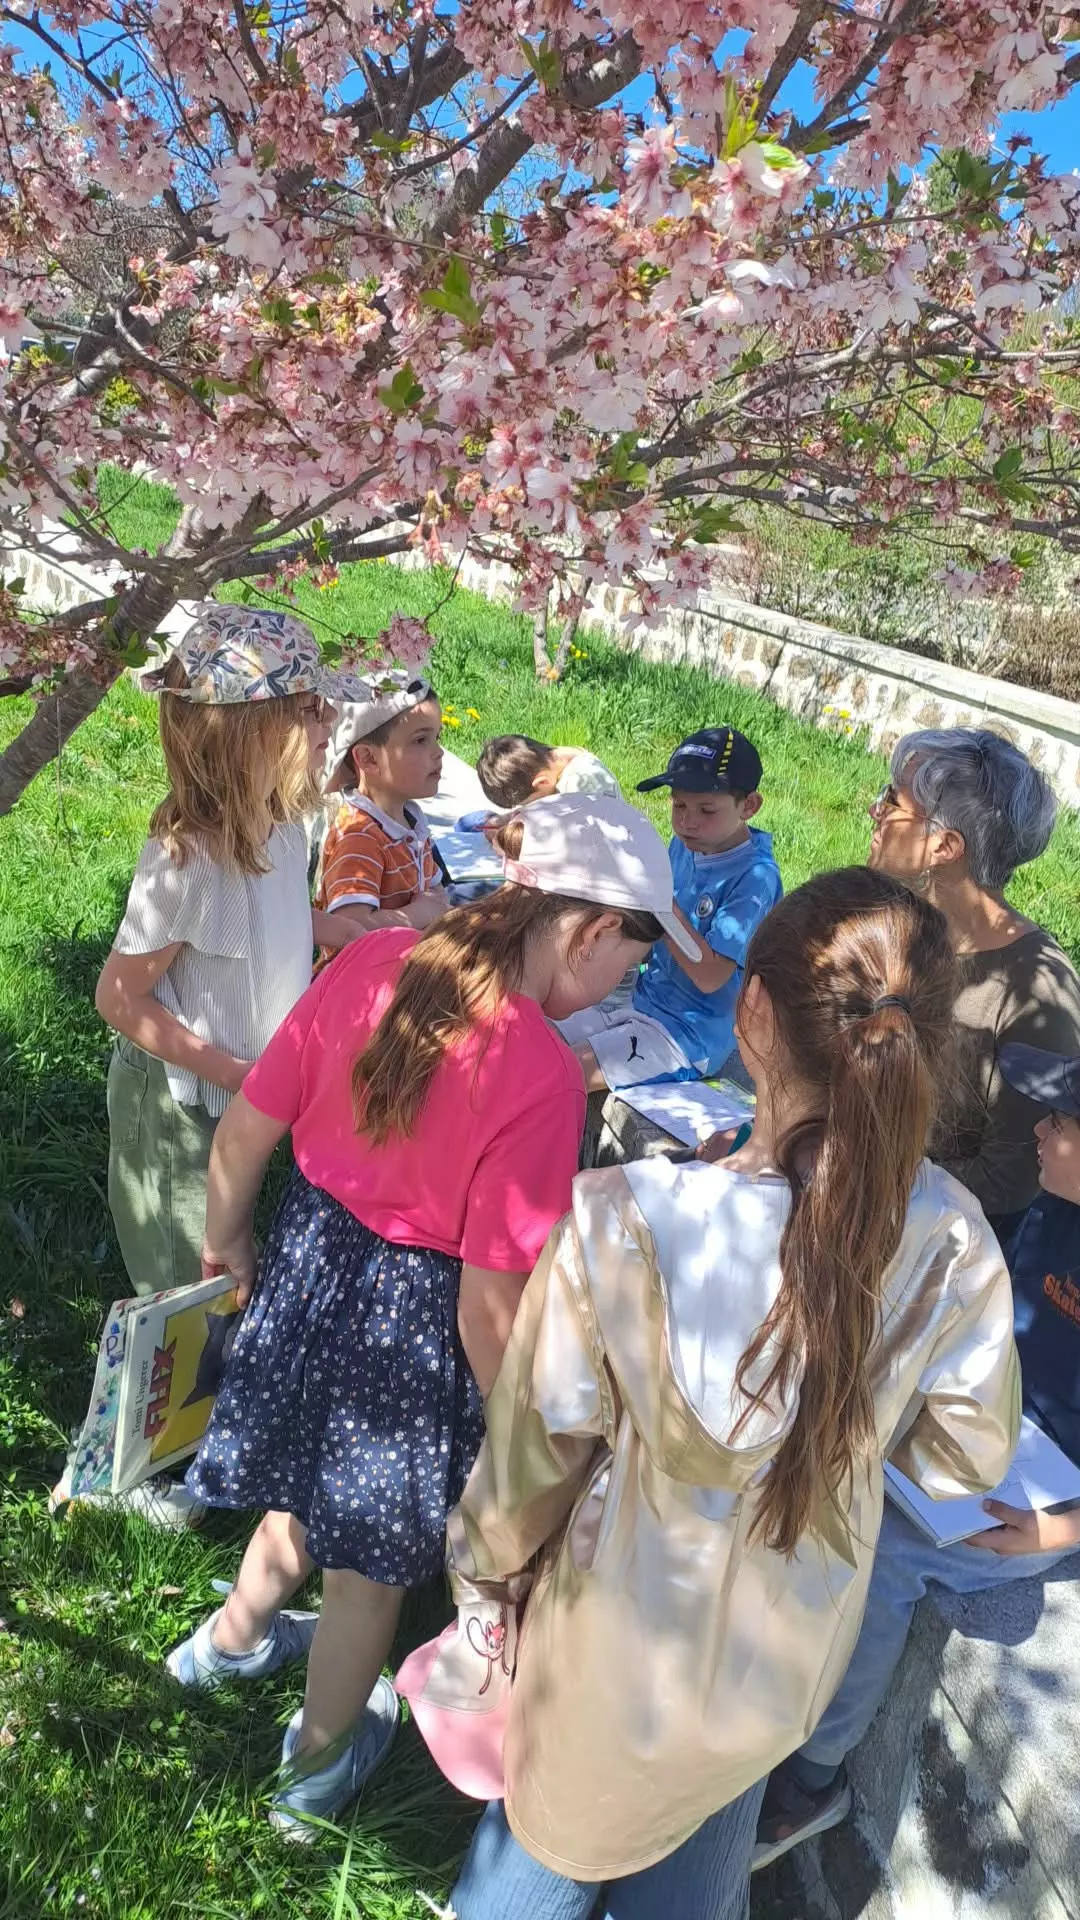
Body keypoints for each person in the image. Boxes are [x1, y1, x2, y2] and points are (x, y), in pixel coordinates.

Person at [439, 867, 1019, 1920]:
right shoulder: (956, 1240)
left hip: (610, 1660)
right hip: (781, 1661)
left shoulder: (623, 1221)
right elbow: (963, 1457)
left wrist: (483, 1577)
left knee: (540, 1861)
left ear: (752, 1012)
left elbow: (529, 1466)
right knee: (700, 1864)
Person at [165, 793, 699, 1837]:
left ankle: (229, 1642)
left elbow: (243, 1135)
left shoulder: (374, 962)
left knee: (308, 1478)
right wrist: (528, 1435)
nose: (616, 987)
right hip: (412, 1325)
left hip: (309, 1265)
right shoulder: (542, 1074)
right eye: (627, 965)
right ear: (591, 931)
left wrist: (230, 1241)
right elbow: (489, 1307)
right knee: (370, 1568)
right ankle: (317, 1767)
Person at [754, 1033, 1080, 1871]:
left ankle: (812, 1781)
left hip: (1054, 1498)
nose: (1039, 1130)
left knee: (889, 1553)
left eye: (1061, 1122)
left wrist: (1057, 1533)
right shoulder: (1053, 1210)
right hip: (1000, 1432)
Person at [95, 602, 345, 1304]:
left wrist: (344, 932)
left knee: (232, 1252)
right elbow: (119, 997)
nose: (331, 721)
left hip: (245, 1087)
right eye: (311, 709)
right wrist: (240, 1076)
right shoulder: (188, 860)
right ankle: (167, 1372)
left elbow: (265, 918)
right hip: (184, 1102)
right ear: (249, 735)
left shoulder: (283, 822)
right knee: (189, 1282)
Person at [865, 727, 1080, 1246]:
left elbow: (1008, 1183)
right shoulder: (895, 926)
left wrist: (863, 1177)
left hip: (934, 1248)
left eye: (892, 800)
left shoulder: (1036, 996)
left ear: (945, 845)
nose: (875, 811)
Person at [559, 725, 782, 1092]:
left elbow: (710, 975)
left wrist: (659, 900)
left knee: (563, 1072)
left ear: (749, 806)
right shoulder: (689, 843)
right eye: (679, 805)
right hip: (638, 998)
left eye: (706, 809)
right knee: (539, 1033)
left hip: (687, 1035)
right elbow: (650, 926)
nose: (687, 821)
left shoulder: (755, 878)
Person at [313, 670, 447, 950]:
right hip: (365, 974)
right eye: (420, 740)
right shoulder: (359, 837)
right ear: (368, 758)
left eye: (437, 737)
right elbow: (349, 927)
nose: (439, 752)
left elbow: (436, 895)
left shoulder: (408, 820)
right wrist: (418, 914)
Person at [472, 734, 621, 816]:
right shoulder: (554, 761)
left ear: (542, 782)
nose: (527, 807)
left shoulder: (580, 787)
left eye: (526, 803)